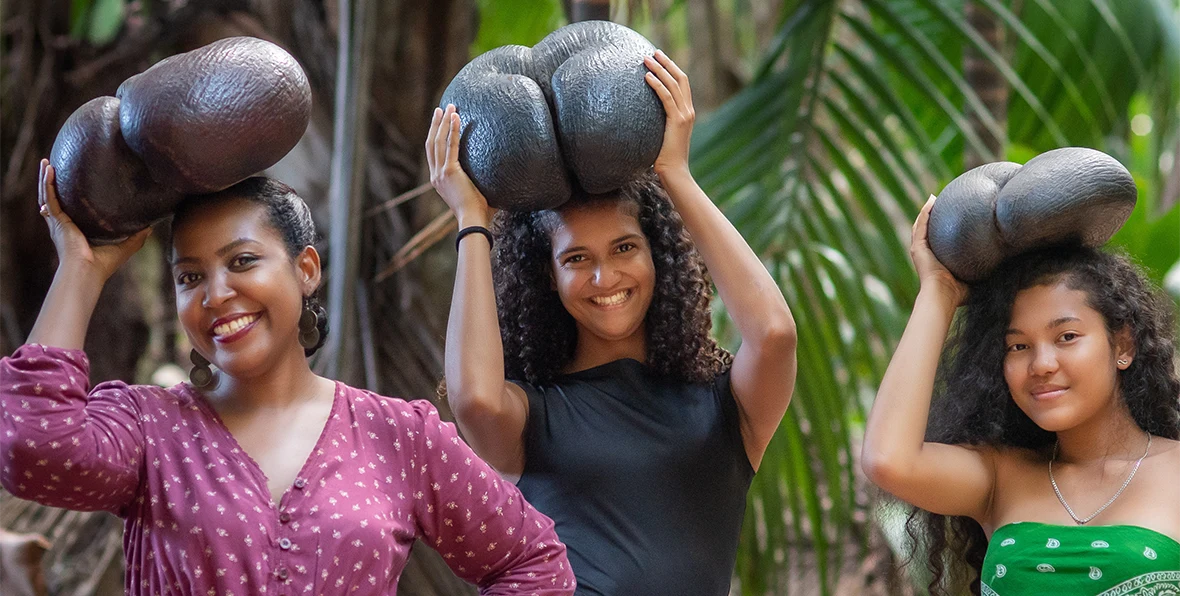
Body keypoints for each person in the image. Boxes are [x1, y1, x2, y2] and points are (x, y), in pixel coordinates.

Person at [0, 161, 576, 595]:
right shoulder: (149, 429)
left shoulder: (399, 436)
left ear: (305, 269)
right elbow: (29, 447)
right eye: (189, 276)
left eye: (243, 261)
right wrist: (81, 265)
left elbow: (533, 561)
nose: (217, 293)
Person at [427, 50, 797, 595]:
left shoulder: (723, 403)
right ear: (547, 277)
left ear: (659, 255)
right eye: (576, 259)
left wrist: (675, 174)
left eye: (625, 248)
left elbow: (774, 335)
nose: (606, 277)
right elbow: (475, 400)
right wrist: (471, 220)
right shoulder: (536, 413)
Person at [862, 195, 1180, 595]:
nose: (1041, 364)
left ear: (1123, 346)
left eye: (1066, 336)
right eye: (1018, 346)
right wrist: (938, 291)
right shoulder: (1001, 478)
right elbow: (888, 461)